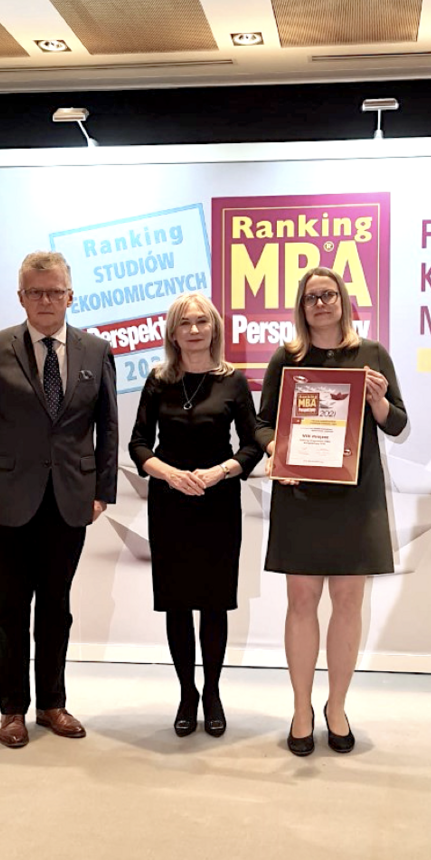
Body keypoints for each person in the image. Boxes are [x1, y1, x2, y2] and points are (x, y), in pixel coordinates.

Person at [0, 251, 118, 748]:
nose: (45, 300)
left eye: (54, 291)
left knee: (56, 606)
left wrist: (103, 491)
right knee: (9, 608)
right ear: (21, 296)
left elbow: (108, 426)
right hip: (7, 498)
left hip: (70, 499)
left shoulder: (96, 350)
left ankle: (52, 704)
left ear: (71, 295)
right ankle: (12, 711)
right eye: (35, 291)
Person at [256, 266, 407, 756]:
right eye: (311, 297)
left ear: (343, 300)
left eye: (328, 295)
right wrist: (279, 446)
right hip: (301, 497)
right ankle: (302, 708)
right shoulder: (287, 357)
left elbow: (398, 423)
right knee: (300, 604)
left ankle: (335, 706)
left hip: (354, 499)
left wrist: (380, 404)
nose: (321, 303)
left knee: (347, 605)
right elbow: (262, 425)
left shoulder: (372, 355)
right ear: (301, 308)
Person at [129, 292, 262, 737]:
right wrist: (168, 474)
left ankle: (213, 691)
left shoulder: (233, 381)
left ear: (214, 329)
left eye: (201, 322)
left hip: (217, 502)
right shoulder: (158, 380)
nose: (193, 330)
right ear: (173, 332)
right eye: (184, 323)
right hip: (171, 504)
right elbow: (138, 444)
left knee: (213, 604)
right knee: (177, 605)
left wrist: (220, 472)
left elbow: (251, 444)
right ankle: (187, 693)